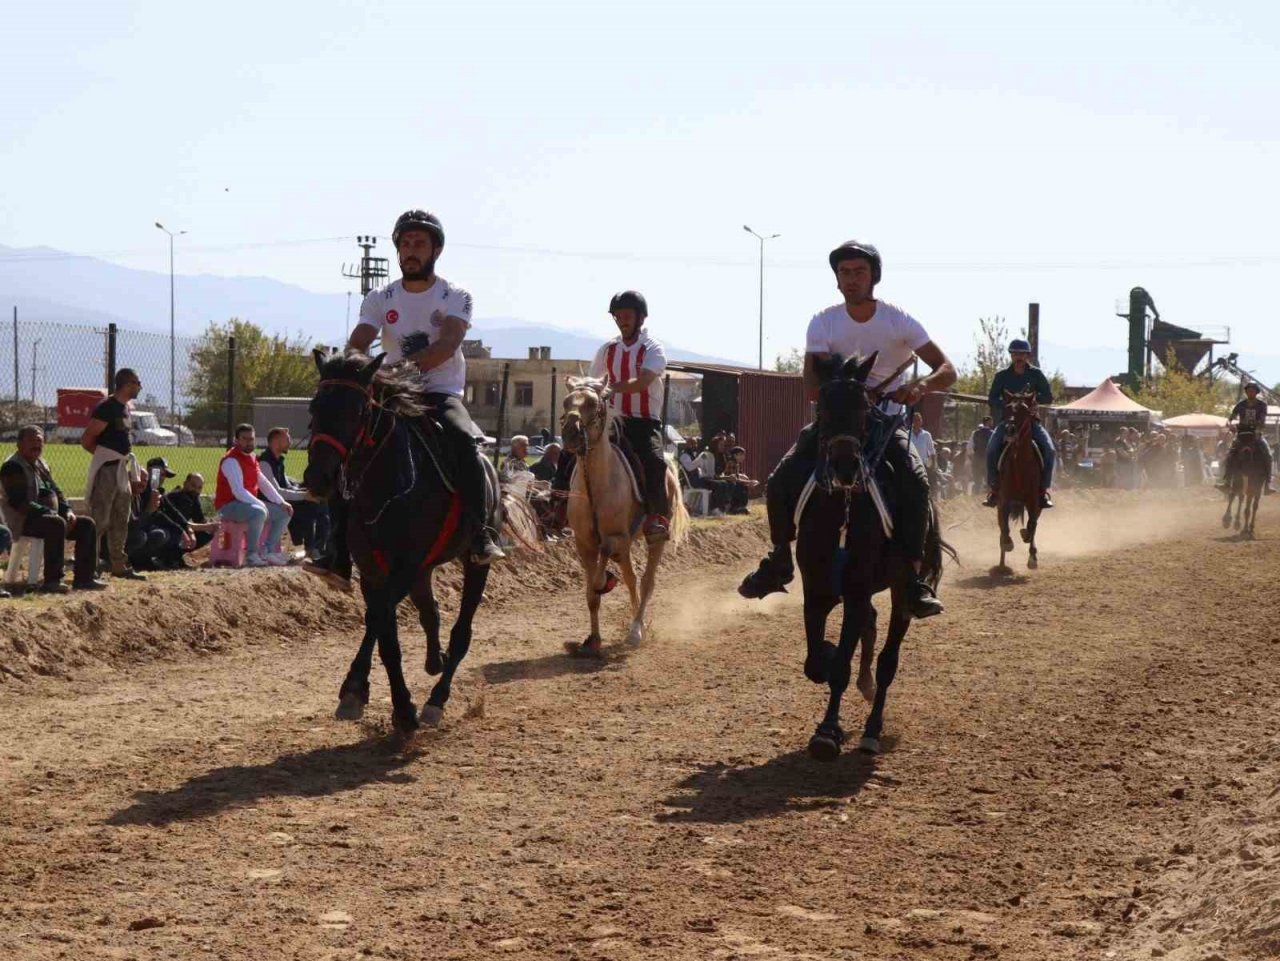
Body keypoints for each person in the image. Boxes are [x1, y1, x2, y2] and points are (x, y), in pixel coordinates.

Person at [738, 240, 955, 617]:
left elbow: (947, 369)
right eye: (844, 272)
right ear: (836, 279)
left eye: (859, 272)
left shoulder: (899, 320)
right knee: (779, 480)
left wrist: (920, 387)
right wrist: (841, 391)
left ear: (874, 277)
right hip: (837, 423)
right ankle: (780, 559)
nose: (851, 279)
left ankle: (912, 579)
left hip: (886, 422)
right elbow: (812, 385)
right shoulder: (823, 322)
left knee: (916, 483)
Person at [328, 208, 504, 570]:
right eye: (405, 243)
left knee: (463, 440)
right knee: (343, 444)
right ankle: (336, 550)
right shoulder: (380, 297)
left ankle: (480, 533)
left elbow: (447, 344)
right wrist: (351, 368)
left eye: (419, 243)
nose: (411, 250)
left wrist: (396, 370)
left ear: (436, 250)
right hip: (390, 396)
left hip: (440, 392)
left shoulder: (455, 295)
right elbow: (358, 342)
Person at [586, 290, 672, 542]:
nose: (622, 321)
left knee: (655, 461)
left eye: (627, 316)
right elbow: (593, 382)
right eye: (618, 316)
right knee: (574, 449)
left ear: (640, 318)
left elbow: (643, 381)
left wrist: (612, 388)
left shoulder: (652, 348)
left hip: (644, 423)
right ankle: (559, 507)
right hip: (611, 422)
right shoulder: (607, 350)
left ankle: (656, 518)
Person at [0, 425, 107, 592]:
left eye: (39, 441)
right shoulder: (12, 467)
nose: (36, 445)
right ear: (19, 444)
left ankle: (85, 578)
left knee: (87, 525)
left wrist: (67, 511)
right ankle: (52, 581)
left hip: (48, 517)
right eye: (31, 441)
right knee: (55, 524)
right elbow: (19, 502)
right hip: (23, 520)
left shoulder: (41, 464)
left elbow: (56, 490)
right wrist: (51, 513)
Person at [81, 368, 148, 580]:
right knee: (100, 519)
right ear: (126, 384)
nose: (139, 387)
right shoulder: (107, 408)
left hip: (120, 470)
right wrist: (106, 458)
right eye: (137, 382)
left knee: (121, 518)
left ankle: (118, 564)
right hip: (108, 470)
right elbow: (87, 440)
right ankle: (89, 567)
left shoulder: (125, 408)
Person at [982, 340, 1056, 509]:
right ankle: (994, 490)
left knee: (1050, 450)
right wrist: (1008, 404)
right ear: (1011, 355)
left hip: (1031, 422)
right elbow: (992, 399)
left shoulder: (1036, 374)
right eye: (1015, 354)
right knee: (991, 449)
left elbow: (1048, 397)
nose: (1018, 357)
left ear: (1027, 355)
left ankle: (1042, 491)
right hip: (1007, 421)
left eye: (1021, 354)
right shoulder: (1001, 376)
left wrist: (1034, 401)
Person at [214, 424, 293, 567]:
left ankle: (268, 550)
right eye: (244, 439)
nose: (249, 442)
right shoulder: (231, 460)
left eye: (251, 439)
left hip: (247, 504)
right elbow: (238, 492)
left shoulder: (252, 458)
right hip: (227, 506)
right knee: (259, 512)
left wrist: (281, 502)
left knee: (284, 512)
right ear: (236, 440)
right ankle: (251, 555)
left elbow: (264, 483)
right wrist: (261, 505)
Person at [258, 427, 328, 560]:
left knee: (320, 501)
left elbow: (288, 485)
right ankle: (311, 548)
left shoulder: (278, 460)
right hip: (272, 502)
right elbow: (276, 492)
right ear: (276, 441)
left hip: (282, 500)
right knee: (310, 506)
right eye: (287, 439)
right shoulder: (264, 462)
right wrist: (304, 495)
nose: (290, 443)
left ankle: (320, 547)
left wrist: (307, 492)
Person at [1217, 382, 1275, 494]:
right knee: (1229, 454)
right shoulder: (1240, 404)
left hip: (1256, 435)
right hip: (1241, 434)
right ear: (1246, 392)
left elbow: (1262, 419)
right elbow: (1231, 417)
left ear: (1256, 392)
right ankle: (1226, 482)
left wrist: (1258, 427)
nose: (1250, 392)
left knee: (1268, 455)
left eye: (1252, 391)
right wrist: (1230, 423)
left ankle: (1268, 484)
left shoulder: (1262, 405)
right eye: (1248, 391)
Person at [163, 473, 218, 550]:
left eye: (199, 488)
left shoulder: (193, 498)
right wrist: (209, 526)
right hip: (170, 530)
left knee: (206, 535)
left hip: (183, 530)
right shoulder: (175, 497)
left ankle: (183, 552)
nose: (196, 490)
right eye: (193, 485)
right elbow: (182, 524)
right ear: (185, 483)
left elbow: (200, 520)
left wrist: (213, 525)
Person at [910, 411, 938, 491]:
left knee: (925, 483)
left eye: (919, 420)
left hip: (924, 463)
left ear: (921, 421)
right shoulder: (907, 434)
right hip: (912, 463)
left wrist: (933, 464)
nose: (917, 422)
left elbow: (932, 451)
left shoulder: (926, 435)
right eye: (915, 420)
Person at [968, 415, 994, 497]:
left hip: (977, 459)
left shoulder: (975, 433)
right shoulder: (993, 434)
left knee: (977, 481)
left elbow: (969, 448)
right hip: (988, 460)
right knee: (988, 481)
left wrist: (972, 459)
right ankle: (988, 497)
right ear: (989, 422)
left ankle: (975, 498)